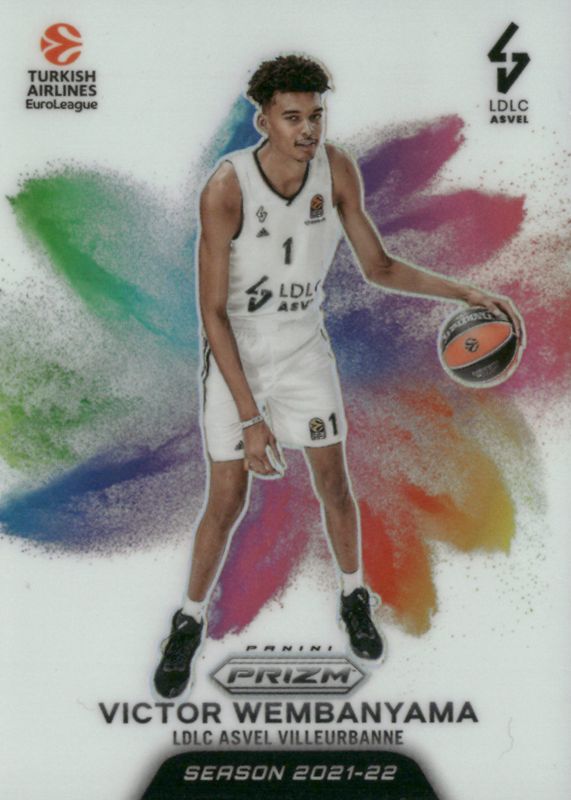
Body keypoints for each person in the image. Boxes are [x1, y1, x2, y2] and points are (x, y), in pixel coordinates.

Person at [154, 54, 520, 698]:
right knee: (227, 500)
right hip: (238, 352)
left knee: (334, 484)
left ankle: (354, 596)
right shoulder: (228, 186)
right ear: (263, 120)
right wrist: (251, 417)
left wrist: (464, 292)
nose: (307, 129)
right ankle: (188, 620)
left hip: (303, 350)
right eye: (292, 117)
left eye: (315, 115)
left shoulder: (337, 169)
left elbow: (379, 267)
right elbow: (211, 313)